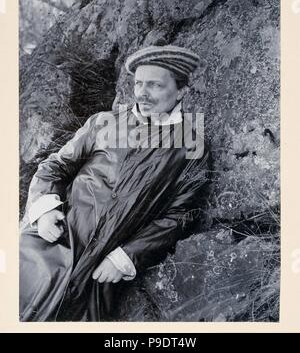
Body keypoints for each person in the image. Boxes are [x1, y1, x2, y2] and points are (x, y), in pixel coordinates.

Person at [19, 44, 211, 322]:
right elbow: (54, 167)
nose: (142, 93)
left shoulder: (192, 147)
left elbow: (181, 215)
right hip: (47, 245)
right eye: (138, 84)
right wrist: (45, 211)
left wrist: (126, 256)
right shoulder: (103, 123)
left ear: (181, 90)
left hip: (99, 274)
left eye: (155, 85)